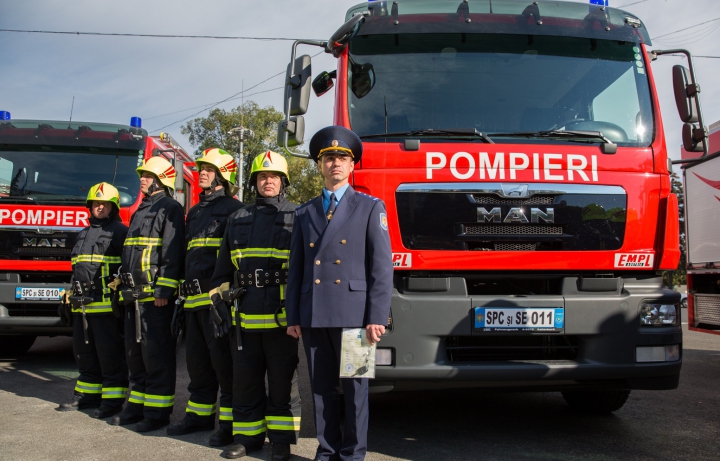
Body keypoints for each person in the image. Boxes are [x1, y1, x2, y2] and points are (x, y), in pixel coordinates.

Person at [285, 126, 393, 461]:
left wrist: (377, 316)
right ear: (319, 165)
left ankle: (353, 454)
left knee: (356, 390)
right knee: (321, 390)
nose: (335, 163)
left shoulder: (370, 208)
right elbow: (297, 270)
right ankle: (327, 449)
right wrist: (293, 316)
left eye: (342, 158)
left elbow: (381, 267)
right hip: (315, 314)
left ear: (352, 165)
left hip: (355, 315)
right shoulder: (304, 213)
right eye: (329, 157)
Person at [210, 151, 301, 461]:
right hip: (244, 320)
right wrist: (219, 303)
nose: (268, 181)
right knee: (245, 382)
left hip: (281, 320)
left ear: (283, 181)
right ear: (254, 182)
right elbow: (222, 271)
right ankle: (246, 440)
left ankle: (280, 441)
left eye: (274, 176)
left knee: (281, 384)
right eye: (263, 176)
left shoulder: (297, 216)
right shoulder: (237, 218)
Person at [166, 148, 243, 446]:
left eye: (209, 170)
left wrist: (227, 300)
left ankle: (228, 424)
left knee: (224, 366)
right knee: (197, 365)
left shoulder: (234, 208)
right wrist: (179, 298)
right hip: (192, 302)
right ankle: (198, 417)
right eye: (202, 169)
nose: (203, 174)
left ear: (223, 176)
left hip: (216, 303)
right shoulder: (195, 212)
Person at [110, 156, 186, 433]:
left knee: (157, 356)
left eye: (147, 175)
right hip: (133, 296)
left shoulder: (170, 208)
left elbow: (172, 251)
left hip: (155, 298)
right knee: (135, 355)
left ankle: (156, 414)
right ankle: (136, 407)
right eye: (142, 175)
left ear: (161, 179)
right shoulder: (141, 210)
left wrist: (164, 289)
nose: (142, 179)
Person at [57, 182, 128, 419]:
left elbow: (125, 266)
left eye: (105, 204)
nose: (100, 207)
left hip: (107, 306)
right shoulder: (83, 233)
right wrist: (69, 292)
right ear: (90, 206)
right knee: (84, 353)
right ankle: (86, 396)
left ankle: (111, 401)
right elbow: (77, 267)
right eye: (96, 204)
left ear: (113, 207)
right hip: (81, 305)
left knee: (109, 354)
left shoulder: (119, 232)